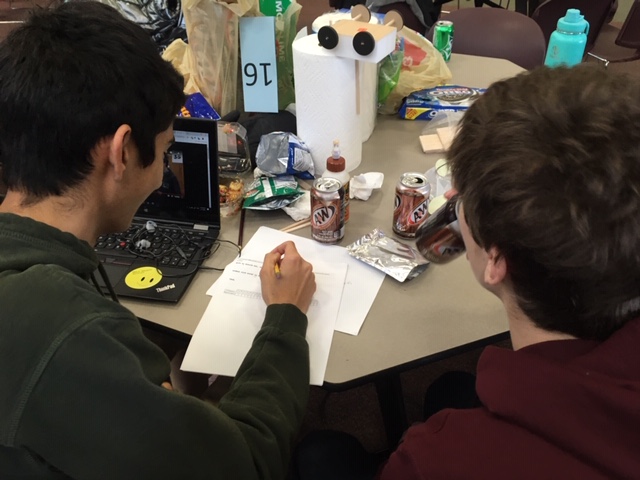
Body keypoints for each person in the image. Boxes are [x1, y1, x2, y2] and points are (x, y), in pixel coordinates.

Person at [0, 2, 316, 479]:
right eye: (167, 152)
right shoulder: (68, 330)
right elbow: (245, 462)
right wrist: (285, 320)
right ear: (122, 151)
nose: (163, 172)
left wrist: (157, 397)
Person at [295, 65, 640, 479]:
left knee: (321, 454)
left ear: (496, 261)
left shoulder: (433, 461)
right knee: (452, 389)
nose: (453, 199)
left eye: (463, 200)